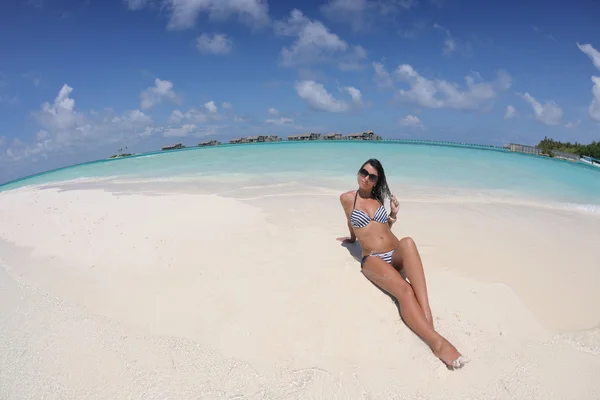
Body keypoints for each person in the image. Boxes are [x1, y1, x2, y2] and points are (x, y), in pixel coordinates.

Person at [337, 158, 469, 369]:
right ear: (358, 172)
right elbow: (350, 221)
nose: (366, 178)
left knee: (407, 242)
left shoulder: (377, 200)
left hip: (395, 251)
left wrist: (393, 215)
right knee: (406, 292)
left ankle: (428, 322)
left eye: (372, 177)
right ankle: (437, 343)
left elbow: (384, 228)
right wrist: (352, 240)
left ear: (376, 181)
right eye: (364, 172)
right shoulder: (346, 199)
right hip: (372, 259)